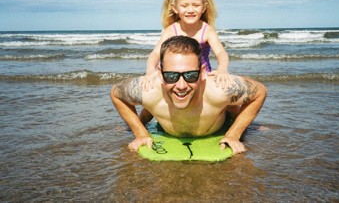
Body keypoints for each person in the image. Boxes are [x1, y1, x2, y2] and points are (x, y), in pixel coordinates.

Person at [111, 36, 267, 154]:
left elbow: (259, 91)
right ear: (160, 74)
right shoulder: (148, 90)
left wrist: (234, 134)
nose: (181, 86)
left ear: (202, 73)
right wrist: (140, 133)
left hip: (218, 119)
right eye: (171, 76)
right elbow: (115, 94)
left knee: (232, 107)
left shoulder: (218, 90)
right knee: (149, 109)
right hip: (160, 106)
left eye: (190, 75)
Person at [140, 0, 233, 123]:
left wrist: (222, 70)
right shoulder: (172, 30)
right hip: (175, 77)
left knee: (230, 100)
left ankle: (243, 127)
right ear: (175, 8)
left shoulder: (206, 30)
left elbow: (221, 53)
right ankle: (136, 126)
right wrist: (149, 71)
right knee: (149, 106)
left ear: (204, 7)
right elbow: (155, 54)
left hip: (202, 76)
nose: (190, 10)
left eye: (196, 5)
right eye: (184, 5)